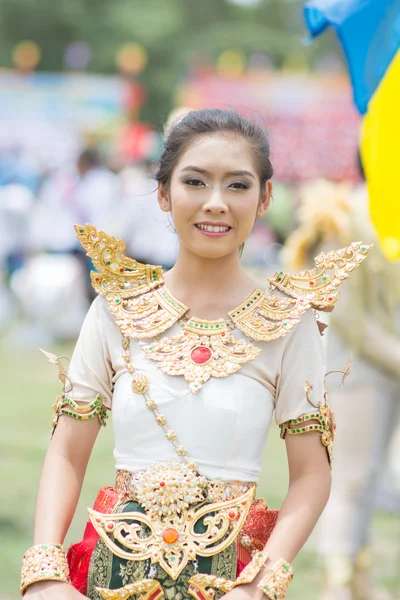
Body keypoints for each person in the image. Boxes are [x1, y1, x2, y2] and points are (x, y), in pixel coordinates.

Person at [20, 109, 371, 600]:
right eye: (195, 181)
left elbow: (312, 474)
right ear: (163, 194)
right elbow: (67, 451)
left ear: (265, 197)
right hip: (108, 576)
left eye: (237, 186)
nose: (215, 203)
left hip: (229, 581)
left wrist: (261, 584)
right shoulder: (115, 311)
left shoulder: (289, 323)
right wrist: (44, 571)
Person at [283, 177, 400, 600]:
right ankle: (337, 587)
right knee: (350, 479)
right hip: (357, 367)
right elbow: (349, 315)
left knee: (370, 480)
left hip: (387, 362)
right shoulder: (344, 215)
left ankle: (360, 580)